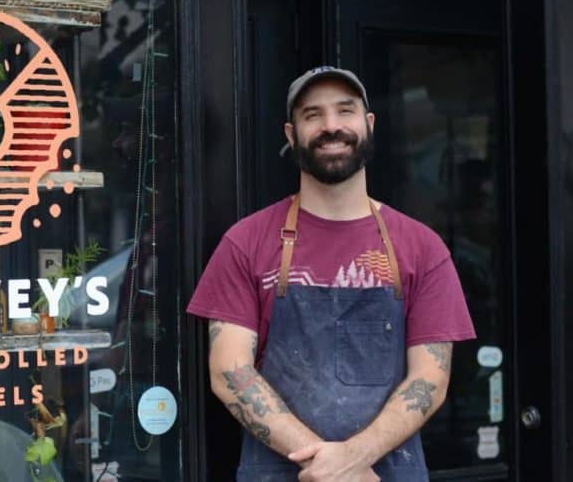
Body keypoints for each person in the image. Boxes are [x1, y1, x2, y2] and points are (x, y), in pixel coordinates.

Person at [186, 66, 476, 482]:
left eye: (345, 111)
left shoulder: (422, 247)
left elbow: (430, 379)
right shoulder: (246, 242)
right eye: (313, 115)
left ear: (368, 125)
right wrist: (327, 466)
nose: (331, 126)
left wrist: (354, 458)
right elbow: (230, 373)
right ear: (291, 134)